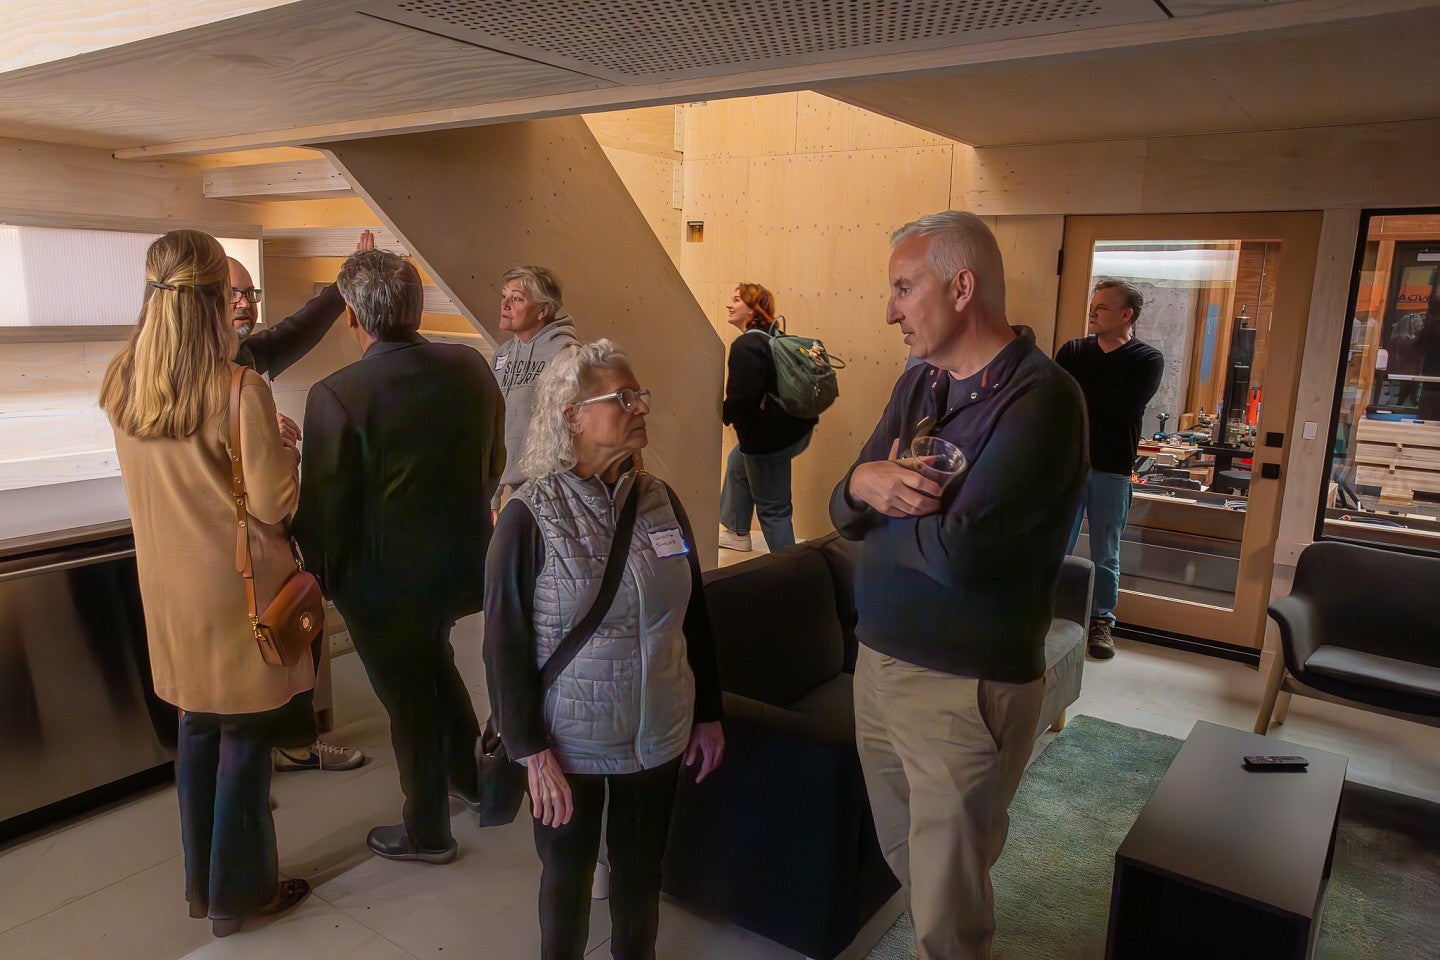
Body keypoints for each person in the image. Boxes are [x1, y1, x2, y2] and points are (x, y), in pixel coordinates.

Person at [829, 211, 1086, 960]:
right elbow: (842, 508)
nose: (890, 310)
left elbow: (964, 557)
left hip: (962, 687)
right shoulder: (919, 385)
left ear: (962, 285)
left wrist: (882, 511)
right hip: (877, 664)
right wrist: (864, 484)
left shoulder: (1042, 399)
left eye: (904, 288)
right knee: (917, 863)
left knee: (945, 900)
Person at [100, 229, 314, 937]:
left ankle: (203, 885)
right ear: (217, 300)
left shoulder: (122, 378)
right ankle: (241, 897)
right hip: (237, 595)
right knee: (246, 746)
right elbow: (275, 504)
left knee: (196, 736)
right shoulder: (240, 388)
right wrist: (286, 445)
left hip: (166, 594)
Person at [484, 340, 724, 960]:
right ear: (571, 415)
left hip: (658, 731)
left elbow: (690, 612)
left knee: (641, 878)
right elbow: (503, 643)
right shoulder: (528, 515)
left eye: (640, 394)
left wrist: (709, 712)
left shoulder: (660, 500)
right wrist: (531, 752)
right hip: (571, 742)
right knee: (566, 882)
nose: (641, 406)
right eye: (623, 397)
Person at [292, 249, 505, 863]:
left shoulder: (336, 393)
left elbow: (325, 504)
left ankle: (426, 831)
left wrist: (320, 579)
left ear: (353, 316)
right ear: (418, 305)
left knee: (407, 698)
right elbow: (493, 463)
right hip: (465, 563)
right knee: (432, 666)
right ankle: (475, 782)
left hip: (383, 581)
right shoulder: (471, 367)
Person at [227, 232, 374, 773]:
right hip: (240, 538)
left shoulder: (241, 355)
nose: (248, 303)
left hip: (253, 538)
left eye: (252, 292)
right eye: (235, 293)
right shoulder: (217, 374)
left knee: (294, 626)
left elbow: (297, 330)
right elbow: (264, 489)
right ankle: (276, 750)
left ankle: (292, 742)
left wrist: (343, 280)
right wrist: (278, 443)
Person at [1056, 278, 1164, 660]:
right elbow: (1059, 401)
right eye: (1093, 304)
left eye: (1101, 306)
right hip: (1067, 466)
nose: (1093, 311)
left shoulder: (1146, 360)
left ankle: (1101, 621)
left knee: (1106, 551)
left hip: (1112, 468)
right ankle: (1052, 612)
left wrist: (1084, 399)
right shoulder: (1072, 351)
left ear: (1126, 314)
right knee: (1058, 543)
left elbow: (1122, 407)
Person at [718, 282, 817, 552]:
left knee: (774, 510)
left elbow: (743, 398)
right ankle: (737, 531)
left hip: (769, 440)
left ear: (752, 309)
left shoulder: (747, 344)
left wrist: (718, 414)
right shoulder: (774, 337)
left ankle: (790, 571)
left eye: (736, 300)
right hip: (794, 431)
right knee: (737, 461)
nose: (729, 304)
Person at [493, 265, 580, 511]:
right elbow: (494, 425)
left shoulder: (566, 354)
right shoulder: (503, 355)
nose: (505, 304)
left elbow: (572, 433)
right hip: (515, 493)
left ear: (543, 310)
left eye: (517, 298)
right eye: (504, 295)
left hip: (553, 494)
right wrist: (493, 495)